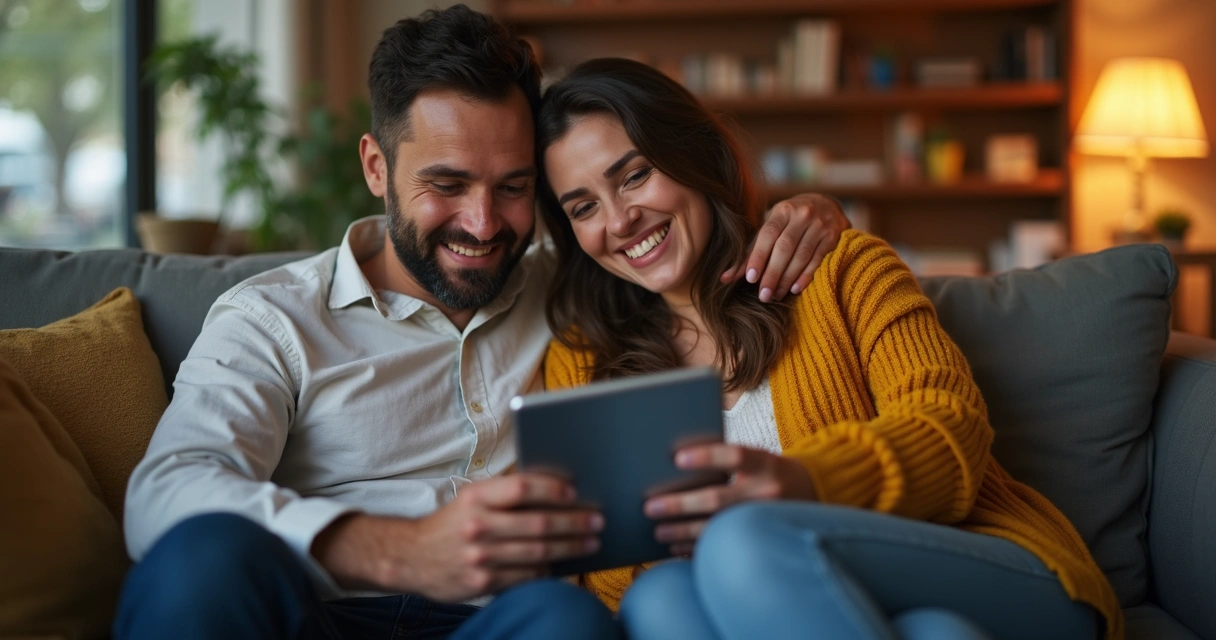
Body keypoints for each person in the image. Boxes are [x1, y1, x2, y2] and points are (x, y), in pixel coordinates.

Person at [114, 6, 848, 640]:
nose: (483, 223)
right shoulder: (274, 317)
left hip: (497, 621)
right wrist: (397, 551)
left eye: (514, 188)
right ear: (377, 168)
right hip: (317, 607)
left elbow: (662, 234)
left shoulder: (573, 289)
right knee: (199, 558)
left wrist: (802, 214)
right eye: (447, 184)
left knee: (568, 621)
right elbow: (165, 492)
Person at [537, 58, 1122, 640]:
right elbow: (602, 573)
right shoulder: (585, 361)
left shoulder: (841, 269)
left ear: (691, 155)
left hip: (991, 566)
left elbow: (953, 431)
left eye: (635, 175)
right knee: (662, 598)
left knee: (744, 537)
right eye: (584, 207)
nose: (619, 221)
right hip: (807, 607)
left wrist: (804, 483)